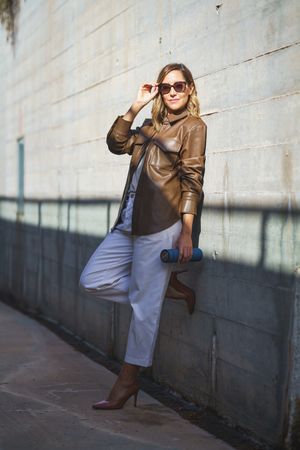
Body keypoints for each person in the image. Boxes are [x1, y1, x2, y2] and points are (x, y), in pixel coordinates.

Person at [79, 62, 207, 410]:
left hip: (162, 223)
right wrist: (136, 105)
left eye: (179, 86)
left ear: (190, 89)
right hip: (129, 221)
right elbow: (114, 143)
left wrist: (186, 232)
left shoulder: (194, 127)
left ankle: (127, 381)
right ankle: (163, 290)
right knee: (92, 279)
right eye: (166, 87)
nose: (172, 92)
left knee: (144, 309)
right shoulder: (148, 127)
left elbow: (193, 179)